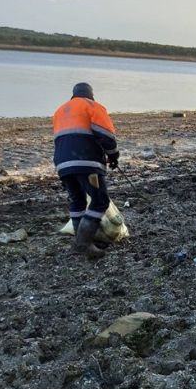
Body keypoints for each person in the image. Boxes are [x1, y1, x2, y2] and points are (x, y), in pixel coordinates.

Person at [52, 82, 119, 260]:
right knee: (99, 201)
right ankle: (83, 244)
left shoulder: (60, 111)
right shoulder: (93, 106)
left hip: (62, 164)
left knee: (77, 201)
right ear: (91, 95)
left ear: (73, 95)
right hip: (86, 162)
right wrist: (113, 156)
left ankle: (79, 240)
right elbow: (108, 137)